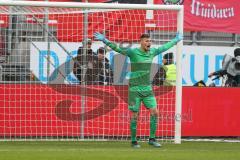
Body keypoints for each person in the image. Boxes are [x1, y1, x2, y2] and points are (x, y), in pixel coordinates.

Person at [94, 31, 183, 148]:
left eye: (150, 41)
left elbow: (164, 47)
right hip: (134, 89)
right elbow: (117, 48)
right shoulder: (133, 52)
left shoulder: (152, 52)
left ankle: (152, 139)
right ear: (141, 42)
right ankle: (134, 140)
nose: (149, 43)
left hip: (147, 88)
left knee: (155, 112)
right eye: (146, 41)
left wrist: (175, 40)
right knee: (135, 115)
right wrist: (105, 40)